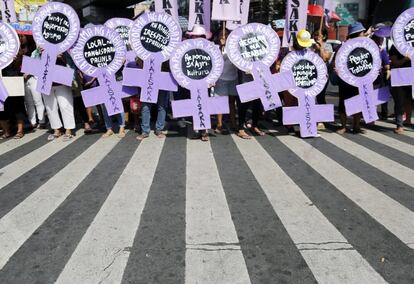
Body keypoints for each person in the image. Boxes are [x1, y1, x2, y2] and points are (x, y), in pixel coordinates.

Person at [336, 22, 366, 134]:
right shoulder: (343, 47)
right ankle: (343, 126)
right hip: (345, 80)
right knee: (343, 103)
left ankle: (356, 126)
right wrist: (337, 70)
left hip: (360, 80)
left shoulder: (364, 47)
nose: (364, 34)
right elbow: (336, 61)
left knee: (359, 102)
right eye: (362, 32)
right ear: (357, 34)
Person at [43, 52, 77, 141]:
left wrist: (62, 58)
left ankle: (68, 130)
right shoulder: (38, 50)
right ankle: (56, 130)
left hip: (62, 80)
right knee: (50, 107)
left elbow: (72, 63)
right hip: (46, 82)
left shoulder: (64, 48)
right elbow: (33, 66)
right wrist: (39, 54)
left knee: (65, 105)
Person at [213, 28, 237, 135]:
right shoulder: (215, 48)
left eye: (226, 35)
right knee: (220, 102)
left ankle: (233, 123)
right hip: (221, 79)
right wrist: (222, 46)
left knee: (232, 102)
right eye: (222, 35)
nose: (224, 37)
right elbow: (216, 61)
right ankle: (219, 124)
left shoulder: (234, 48)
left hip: (233, 78)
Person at [312, 29, 333, 130]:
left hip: (322, 76)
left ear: (324, 37)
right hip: (311, 75)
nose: (316, 37)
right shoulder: (310, 45)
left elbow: (325, 58)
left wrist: (320, 48)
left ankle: (321, 120)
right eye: (315, 35)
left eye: (318, 35)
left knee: (320, 97)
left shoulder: (328, 46)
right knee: (311, 97)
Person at [389, 45, 412, 134]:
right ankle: (399, 125)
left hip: (411, 76)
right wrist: (405, 59)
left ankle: (408, 120)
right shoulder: (395, 46)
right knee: (400, 101)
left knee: (411, 99)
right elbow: (394, 63)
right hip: (399, 76)